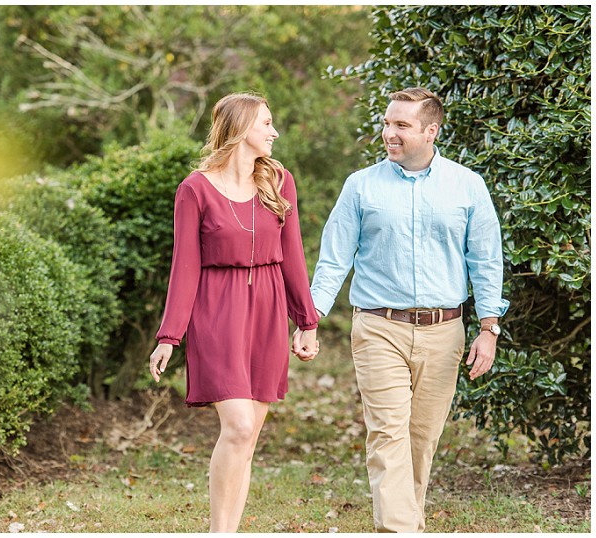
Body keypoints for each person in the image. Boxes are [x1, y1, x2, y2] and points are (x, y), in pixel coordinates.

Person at [294, 87, 509, 532]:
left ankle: (405, 518)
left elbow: (485, 259)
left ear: (431, 131)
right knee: (388, 434)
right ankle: (400, 529)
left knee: (421, 439)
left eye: (401, 126)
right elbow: (334, 259)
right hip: (378, 327)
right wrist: (309, 320)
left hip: (444, 330)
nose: (388, 133)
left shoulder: (467, 186)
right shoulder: (361, 186)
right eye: (387, 123)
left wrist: (489, 326)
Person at [149, 92, 320, 532]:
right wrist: (170, 335)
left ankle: (229, 530)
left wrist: (306, 321)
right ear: (242, 128)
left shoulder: (280, 182)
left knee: (247, 440)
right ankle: (218, 532)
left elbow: (293, 256)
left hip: (267, 309)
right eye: (266, 123)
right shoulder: (195, 189)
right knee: (239, 427)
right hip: (217, 310)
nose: (274, 132)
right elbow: (184, 267)